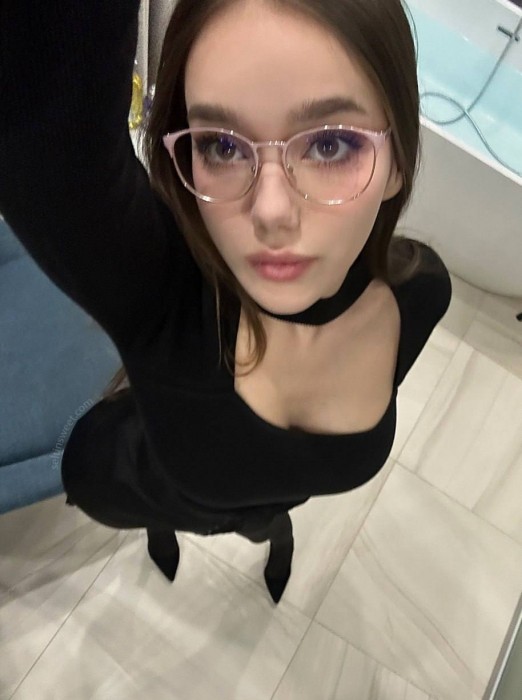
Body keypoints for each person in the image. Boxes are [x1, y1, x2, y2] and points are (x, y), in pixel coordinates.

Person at [0, 0, 452, 604]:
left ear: (398, 164)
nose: (270, 211)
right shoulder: (163, 302)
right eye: (221, 146)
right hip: (125, 480)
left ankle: (268, 530)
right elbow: (43, 131)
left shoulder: (421, 292)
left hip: (255, 504)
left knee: (263, 518)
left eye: (330, 144)